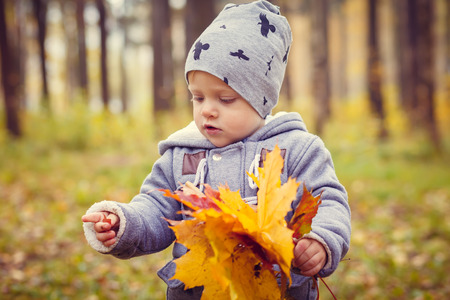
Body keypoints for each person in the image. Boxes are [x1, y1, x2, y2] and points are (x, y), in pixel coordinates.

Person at [82, 1, 351, 299]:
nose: (207, 111)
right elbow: (156, 209)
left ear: (261, 100)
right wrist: (124, 223)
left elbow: (329, 200)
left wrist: (322, 241)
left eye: (225, 99)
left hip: (276, 289)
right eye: (198, 98)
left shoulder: (296, 149)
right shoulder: (181, 155)